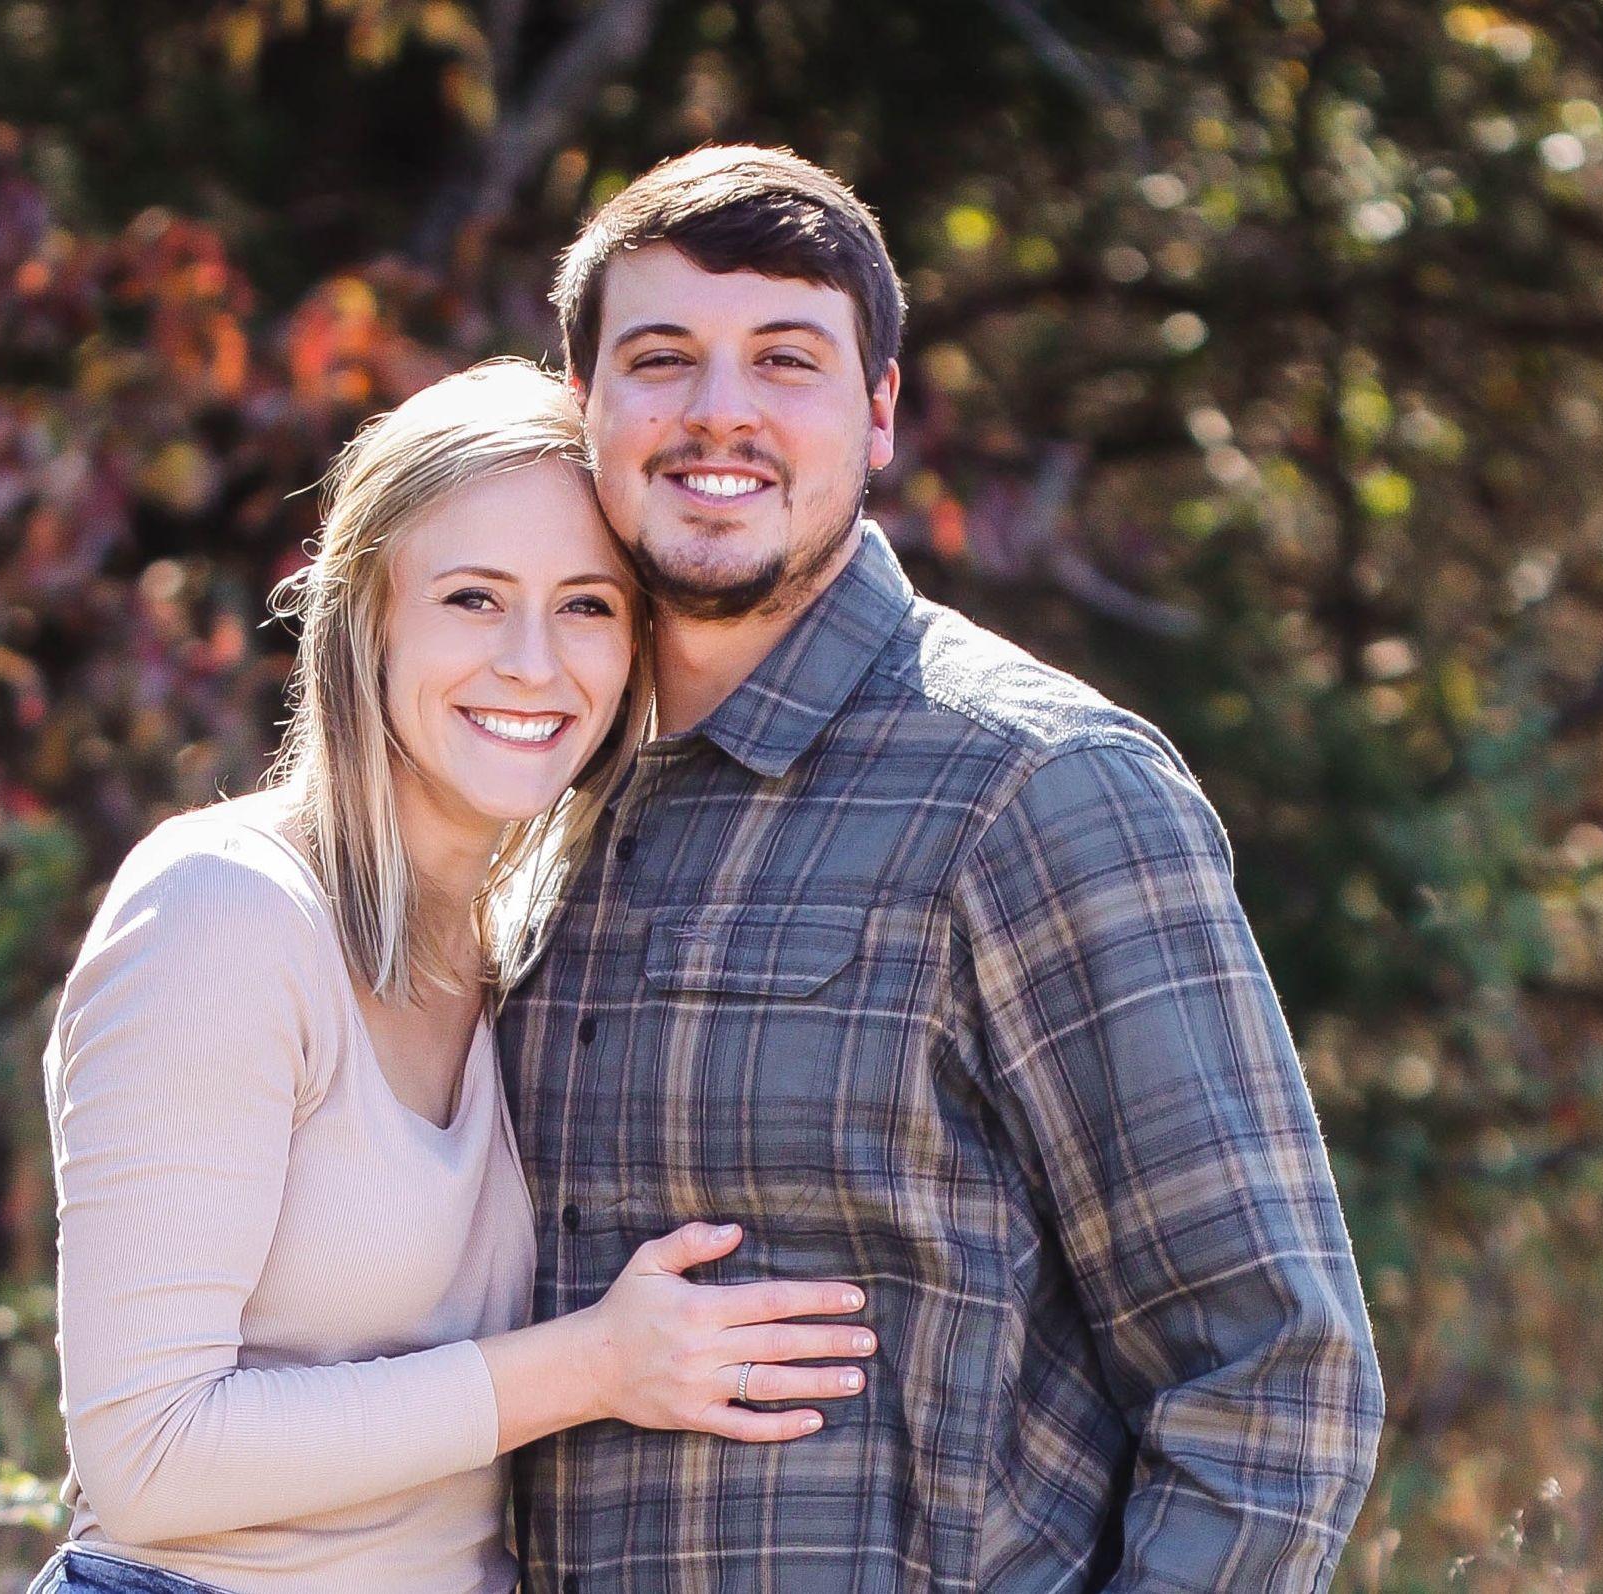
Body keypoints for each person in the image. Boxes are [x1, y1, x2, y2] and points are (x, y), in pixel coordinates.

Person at [499, 146, 1389, 1591]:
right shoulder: (528, 795)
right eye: (659, 359)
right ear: (582, 407)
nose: (718, 410)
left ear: (878, 412)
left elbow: (1271, 1380)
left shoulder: (1037, 788)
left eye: (785, 360)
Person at [28, 359, 878, 1594]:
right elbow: (146, 1457)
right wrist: (593, 1365)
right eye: (474, 597)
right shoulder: (224, 913)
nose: (532, 661)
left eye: (586, 605)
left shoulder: (526, 943)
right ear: (365, 619)